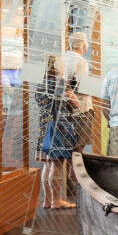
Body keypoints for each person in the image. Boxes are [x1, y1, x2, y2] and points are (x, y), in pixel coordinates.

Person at [34, 56, 79, 209]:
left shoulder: (40, 84)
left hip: (44, 128)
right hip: (58, 128)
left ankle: (47, 200)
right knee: (57, 165)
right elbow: (76, 103)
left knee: (47, 165)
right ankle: (56, 200)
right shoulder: (59, 83)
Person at [64, 31, 94, 153]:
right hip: (80, 110)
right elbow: (84, 87)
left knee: (65, 151)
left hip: (65, 111)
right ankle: (74, 173)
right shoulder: (81, 62)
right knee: (77, 152)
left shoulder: (63, 58)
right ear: (84, 46)